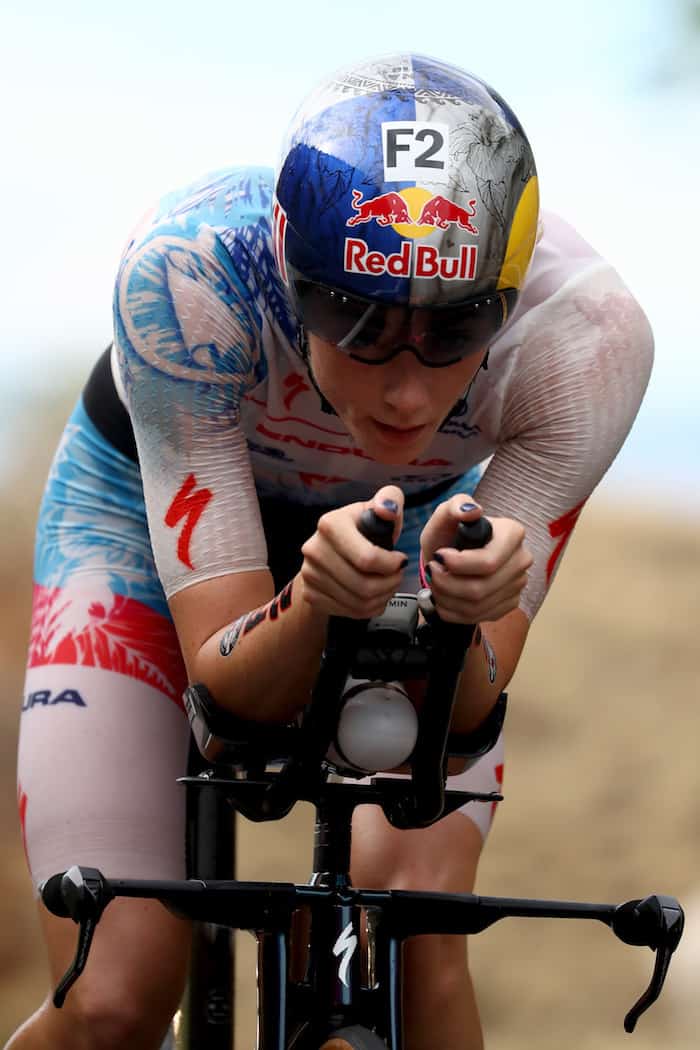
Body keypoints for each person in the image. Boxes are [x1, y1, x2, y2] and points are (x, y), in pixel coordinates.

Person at [8, 52, 653, 1050]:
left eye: (457, 327)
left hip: (405, 533)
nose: (404, 389)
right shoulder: (187, 276)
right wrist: (314, 608)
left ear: (509, 296)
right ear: (285, 263)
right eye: (353, 319)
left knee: (418, 933)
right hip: (140, 525)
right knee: (113, 1001)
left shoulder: (586, 346)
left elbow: (464, 722)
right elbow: (231, 707)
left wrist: (463, 614)